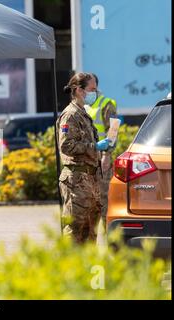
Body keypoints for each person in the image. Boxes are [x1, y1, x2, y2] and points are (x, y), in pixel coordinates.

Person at [56, 72, 110, 244]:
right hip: (76, 180)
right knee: (74, 231)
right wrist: (95, 146)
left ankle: (86, 269)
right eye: (92, 89)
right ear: (79, 90)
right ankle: (70, 269)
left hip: (89, 179)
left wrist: (101, 146)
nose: (96, 93)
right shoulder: (70, 115)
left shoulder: (83, 113)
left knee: (89, 231)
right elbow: (66, 146)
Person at [85, 74, 117, 222]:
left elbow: (113, 130)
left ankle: (108, 240)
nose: (89, 92)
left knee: (104, 201)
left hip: (101, 159)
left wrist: (107, 155)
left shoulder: (106, 104)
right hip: (87, 159)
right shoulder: (82, 106)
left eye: (92, 88)